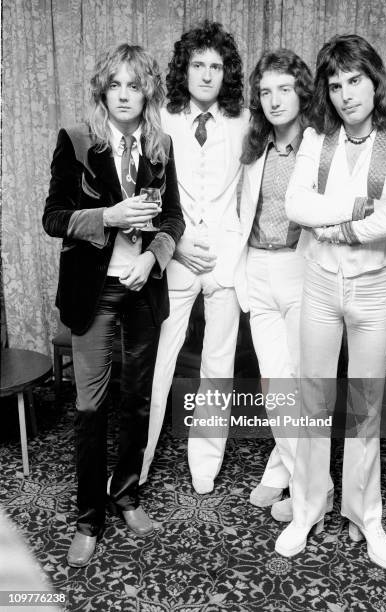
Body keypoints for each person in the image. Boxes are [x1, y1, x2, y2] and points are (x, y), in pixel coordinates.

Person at [275, 34, 386, 570]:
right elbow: (295, 203)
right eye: (334, 84)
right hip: (318, 284)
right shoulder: (318, 139)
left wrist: (339, 225)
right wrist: (360, 206)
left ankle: (367, 514)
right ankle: (309, 507)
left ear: (375, 80)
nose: (344, 94)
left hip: (372, 288)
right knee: (312, 401)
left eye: (354, 80)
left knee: (365, 406)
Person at [43, 43, 185, 567]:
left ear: (147, 91)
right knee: (89, 407)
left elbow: (174, 220)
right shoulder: (77, 141)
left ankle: (125, 495)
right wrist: (110, 214)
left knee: (138, 400)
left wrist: (153, 260)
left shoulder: (160, 144)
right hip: (93, 292)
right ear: (103, 90)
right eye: (116, 85)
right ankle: (89, 518)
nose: (125, 94)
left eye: (135, 85)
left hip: (143, 287)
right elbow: (54, 217)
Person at [139, 20, 249, 494]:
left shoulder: (245, 119)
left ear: (227, 74)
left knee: (217, 365)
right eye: (198, 65)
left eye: (217, 66)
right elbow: (145, 190)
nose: (207, 75)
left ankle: (204, 465)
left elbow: (255, 192)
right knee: (158, 360)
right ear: (184, 69)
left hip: (225, 258)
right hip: (177, 253)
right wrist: (175, 242)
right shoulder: (161, 118)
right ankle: (135, 465)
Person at [236, 49, 319, 516]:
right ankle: (291, 473)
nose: (273, 100)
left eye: (284, 89)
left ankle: (307, 491)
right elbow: (240, 212)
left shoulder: (320, 145)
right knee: (275, 385)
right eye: (265, 92)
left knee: (298, 385)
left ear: (302, 92)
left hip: (301, 269)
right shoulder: (255, 149)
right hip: (258, 268)